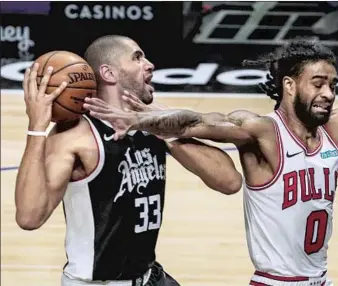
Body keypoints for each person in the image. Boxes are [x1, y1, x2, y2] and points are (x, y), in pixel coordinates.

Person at [83, 39, 338, 286]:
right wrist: (140, 120)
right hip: (276, 282)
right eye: (318, 84)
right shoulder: (262, 130)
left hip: (323, 279)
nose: (328, 93)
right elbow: (199, 121)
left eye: (332, 85)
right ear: (289, 85)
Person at [15, 35, 243, 286]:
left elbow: (229, 182)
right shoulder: (75, 136)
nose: (149, 64)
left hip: (150, 277)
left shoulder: (153, 122)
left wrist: (165, 129)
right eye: (137, 57)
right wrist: (36, 128)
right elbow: (29, 217)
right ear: (108, 73)